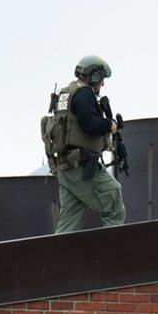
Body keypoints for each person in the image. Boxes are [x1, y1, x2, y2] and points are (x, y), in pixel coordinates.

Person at [48, 55, 126, 233]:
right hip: (81, 165)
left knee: (69, 223)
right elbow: (89, 124)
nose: (102, 84)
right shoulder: (84, 93)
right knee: (113, 199)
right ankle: (113, 253)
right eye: (102, 79)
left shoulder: (66, 93)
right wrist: (109, 125)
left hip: (65, 167)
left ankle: (59, 259)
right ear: (94, 75)